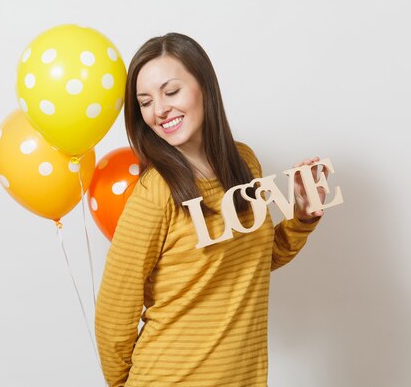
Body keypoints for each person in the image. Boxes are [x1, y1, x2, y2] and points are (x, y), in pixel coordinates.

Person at [94, 33, 327, 387]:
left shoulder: (244, 163)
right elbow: (114, 313)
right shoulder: (154, 193)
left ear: (204, 86)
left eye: (171, 92)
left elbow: (252, 261)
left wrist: (302, 218)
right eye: (145, 102)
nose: (159, 110)